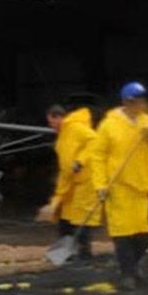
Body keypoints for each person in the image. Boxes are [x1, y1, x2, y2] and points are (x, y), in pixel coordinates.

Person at [90, 81, 148, 290]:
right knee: (123, 232)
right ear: (126, 102)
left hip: (145, 186)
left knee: (146, 230)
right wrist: (100, 184)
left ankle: (133, 264)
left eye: (143, 101)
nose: (142, 106)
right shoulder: (109, 125)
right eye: (137, 102)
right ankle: (127, 273)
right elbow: (97, 156)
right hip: (119, 186)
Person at [42, 104, 101, 260]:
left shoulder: (75, 128)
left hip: (85, 181)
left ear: (58, 117)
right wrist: (57, 197)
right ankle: (66, 254)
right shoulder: (63, 135)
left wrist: (80, 161)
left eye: (51, 122)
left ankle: (84, 254)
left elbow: (95, 141)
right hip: (72, 181)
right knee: (64, 218)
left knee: (81, 220)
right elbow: (65, 167)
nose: (51, 126)